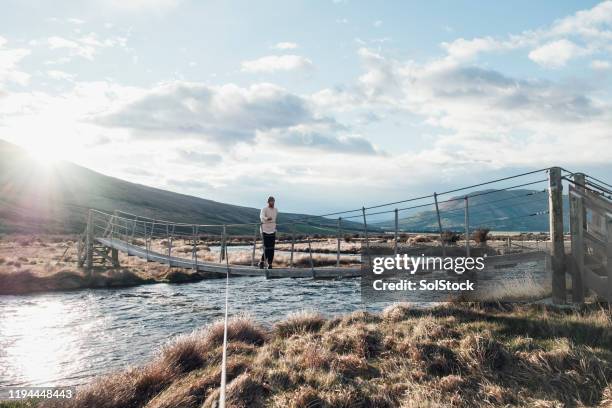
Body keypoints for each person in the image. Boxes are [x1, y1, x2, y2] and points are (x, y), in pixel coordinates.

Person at [259, 196, 277, 269]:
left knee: (272, 248)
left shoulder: (276, 210)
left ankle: (270, 263)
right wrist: (267, 218)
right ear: (268, 202)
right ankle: (262, 262)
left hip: (272, 230)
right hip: (264, 230)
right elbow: (262, 217)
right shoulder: (264, 209)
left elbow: (274, 219)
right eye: (271, 201)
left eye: (273, 201)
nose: (272, 202)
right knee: (266, 247)